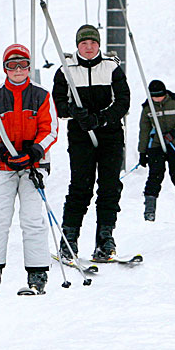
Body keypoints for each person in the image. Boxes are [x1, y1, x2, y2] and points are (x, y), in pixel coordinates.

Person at [0, 44, 58, 295]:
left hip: (33, 165)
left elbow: (50, 129)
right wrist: (1, 151)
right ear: (5, 69)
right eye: (12, 65)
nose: (18, 70)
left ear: (30, 67)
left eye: (23, 64)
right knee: (0, 216)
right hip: (3, 165)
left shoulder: (42, 95)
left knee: (32, 217)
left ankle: (37, 271)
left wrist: (34, 151)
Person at [52, 24, 130, 262]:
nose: (88, 48)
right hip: (80, 136)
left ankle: (105, 238)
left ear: (99, 45)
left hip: (110, 134)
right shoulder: (66, 70)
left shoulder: (111, 67)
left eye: (93, 43)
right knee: (80, 186)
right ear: (77, 46)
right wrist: (75, 113)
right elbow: (57, 104)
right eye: (84, 44)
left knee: (109, 186)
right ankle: (70, 238)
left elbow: (123, 102)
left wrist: (101, 118)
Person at [138, 80, 175, 222]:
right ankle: (149, 210)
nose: (157, 99)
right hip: (156, 144)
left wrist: (174, 134)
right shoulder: (147, 107)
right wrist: (142, 152)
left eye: (160, 96)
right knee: (155, 175)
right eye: (154, 97)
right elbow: (144, 131)